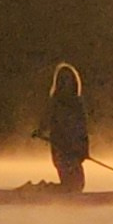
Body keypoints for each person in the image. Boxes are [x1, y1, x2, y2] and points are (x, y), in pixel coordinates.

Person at [38, 60, 91, 193]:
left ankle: (43, 189)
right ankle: (40, 190)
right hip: (61, 149)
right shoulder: (55, 102)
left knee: (78, 185)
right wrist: (40, 130)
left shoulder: (78, 103)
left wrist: (84, 149)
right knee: (71, 185)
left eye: (69, 79)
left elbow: (83, 128)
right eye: (63, 80)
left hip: (75, 150)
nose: (66, 83)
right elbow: (46, 121)